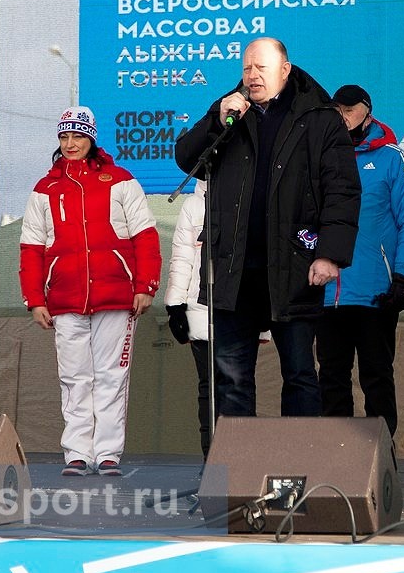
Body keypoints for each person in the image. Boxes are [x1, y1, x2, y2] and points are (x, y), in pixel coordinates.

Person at [173, 37, 361, 420]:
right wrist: (215, 120)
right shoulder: (230, 111)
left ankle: (298, 469)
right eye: (246, 69)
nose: (252, 76)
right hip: (233, 269)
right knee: (231, 378)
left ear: (285, 70)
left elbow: (342, 189)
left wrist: (330, 253)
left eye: (261, 68)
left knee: (300, 374)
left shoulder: (319, 117)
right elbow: (186, 158)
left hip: (292, 265)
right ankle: (239, 470)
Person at [20, 106, 162, 477]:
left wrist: (145, 285)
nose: (70, 144)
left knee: (112, 374)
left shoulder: (120, 180)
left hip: (115, 294)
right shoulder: (45, 188)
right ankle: (77, 452)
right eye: (64, 137)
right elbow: (31, 248)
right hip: (65, 297)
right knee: (74, 377)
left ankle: (108, 452)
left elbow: (145, 236)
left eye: (78, 136)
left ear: (91, 138)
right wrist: (35, 299)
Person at [317, 85, 404, 438]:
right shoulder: (323, 157)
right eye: (338, 110)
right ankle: (337, 459)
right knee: (331, 377)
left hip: (376, 292)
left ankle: (380, 459)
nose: (343, 116)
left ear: (367, 110)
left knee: (376, 376)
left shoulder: (394, 158)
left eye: (350, 109)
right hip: (329, 292)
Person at [165, 180, 271, 457]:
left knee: (239, 385)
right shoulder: (193, 204)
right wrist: (175, 305)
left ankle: (241, 464)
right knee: (208, 389)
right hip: (200, 312)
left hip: (242, 311)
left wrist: (263, 318)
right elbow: (182, 257)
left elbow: (264, 260)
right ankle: (211, 462)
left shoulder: (255, 197)